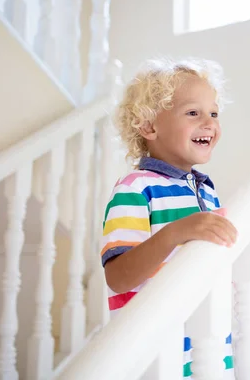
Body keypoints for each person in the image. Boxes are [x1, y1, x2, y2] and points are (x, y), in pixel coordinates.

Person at [100, 58, 237, 378]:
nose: (209, 122)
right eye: (193, 113)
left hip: (209, 346)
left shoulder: (206, 190)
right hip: (159, 355)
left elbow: (222, 257)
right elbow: (118, 277)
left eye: (214, 113)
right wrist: (175, 232)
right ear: (149, 126)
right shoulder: (134, 189)